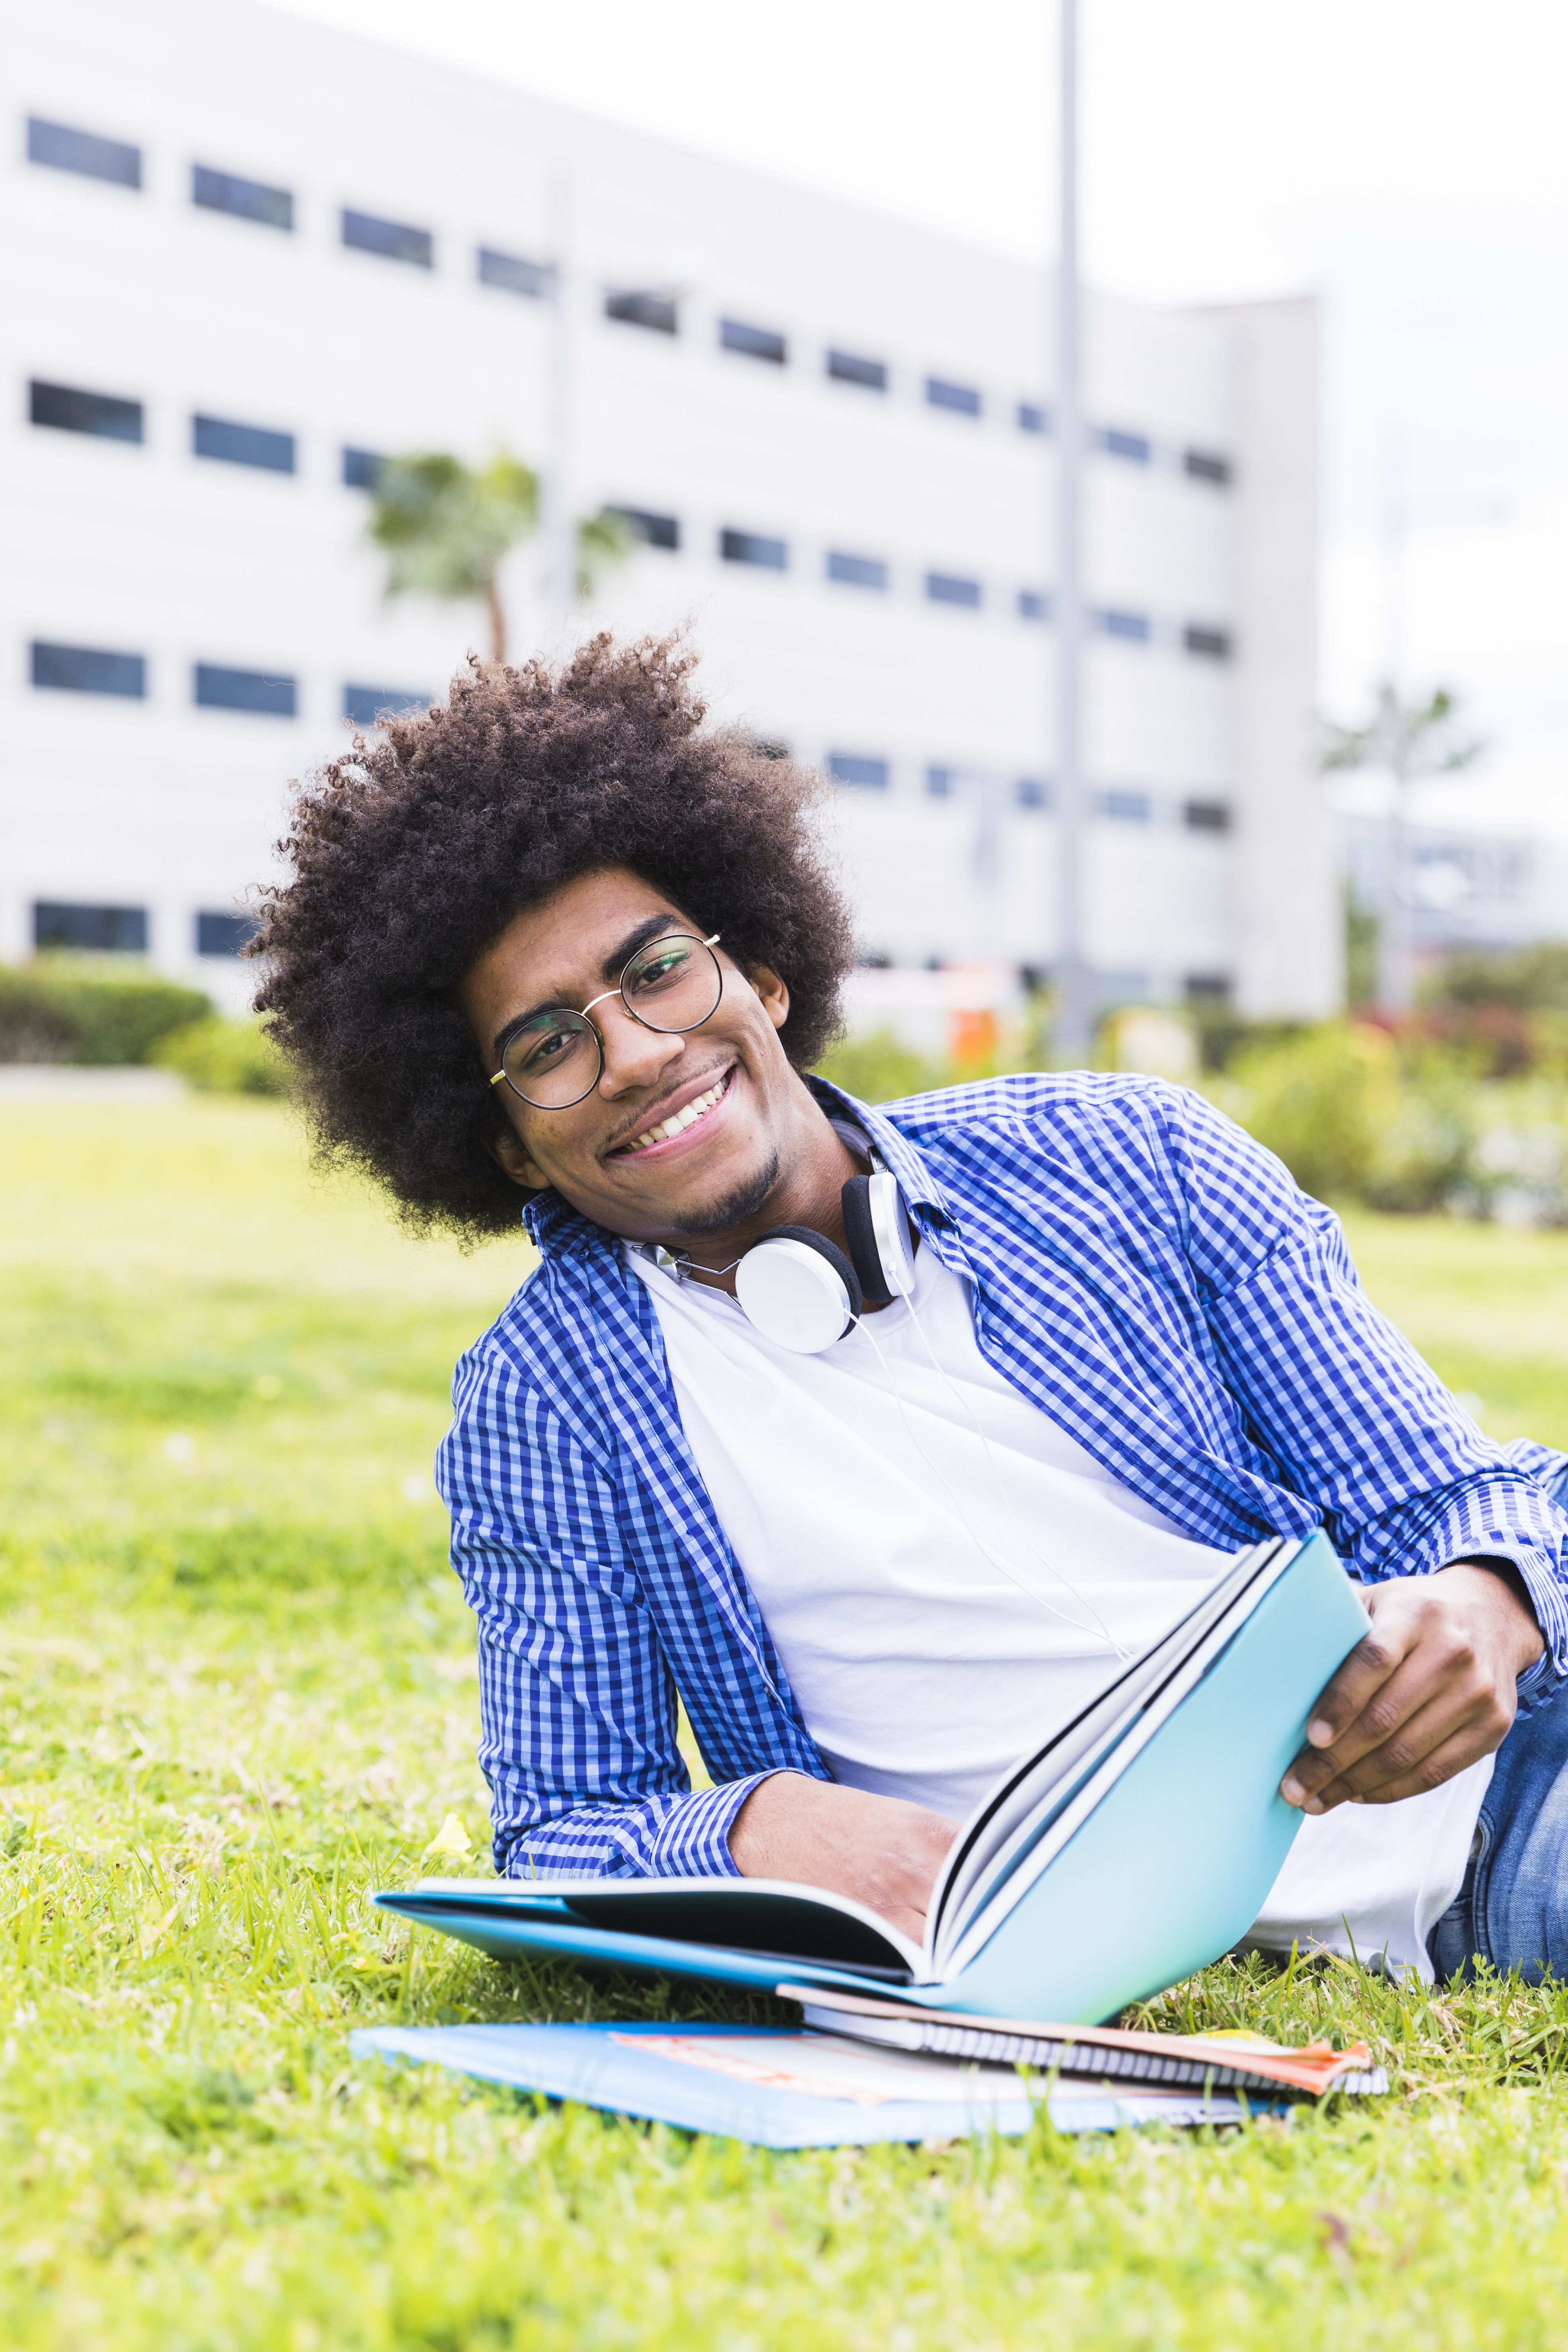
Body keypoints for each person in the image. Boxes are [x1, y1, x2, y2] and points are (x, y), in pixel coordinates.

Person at [255, 636, 1568, 1984]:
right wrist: (767, 1831)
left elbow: (1458, 1496)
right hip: (1222, 1933)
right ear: (511, 1150)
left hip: (1507, 1782)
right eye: (546, 1046)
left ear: (765, 978)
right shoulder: (548, 1399)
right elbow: (562, 1833)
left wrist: (1488, 1598)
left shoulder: (1135, 1155)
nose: (638, 1054)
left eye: (656, 971)